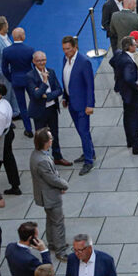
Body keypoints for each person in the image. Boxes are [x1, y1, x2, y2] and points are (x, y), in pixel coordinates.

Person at [60, 36, 95, 175]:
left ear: (75, 47)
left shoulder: (84, 62)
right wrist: (65, 96)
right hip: (71, 103)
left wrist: (90, 105)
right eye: (63, 49)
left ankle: (88, 161)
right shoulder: (65, 59)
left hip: (82, 104)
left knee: (84, 131)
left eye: (68, 49)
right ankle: (90, 152)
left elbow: (89, 86)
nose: (66, 52)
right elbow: (66, 79)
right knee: (81, 131)